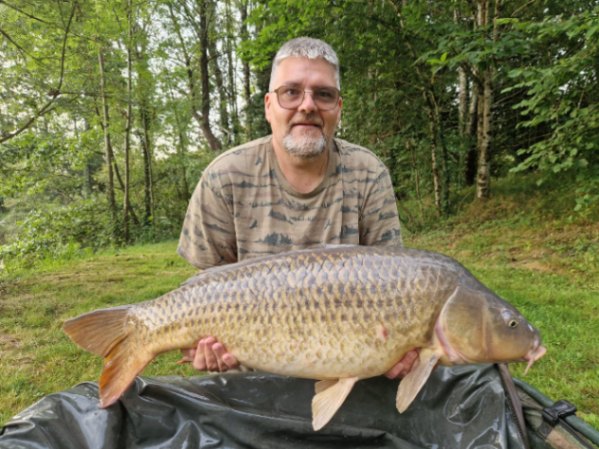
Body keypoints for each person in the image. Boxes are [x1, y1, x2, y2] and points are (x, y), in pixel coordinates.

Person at [177, 37, 418, 378]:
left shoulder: (368, 173)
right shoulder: (225, 176)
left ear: (338, 107)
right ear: (268, 105)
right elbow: (205, 289)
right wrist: (201, 343)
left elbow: (395, 288)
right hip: (251, 375)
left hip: (350, 372)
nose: (308, 106)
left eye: (323, 94)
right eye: (291, 92)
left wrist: (405, 345)